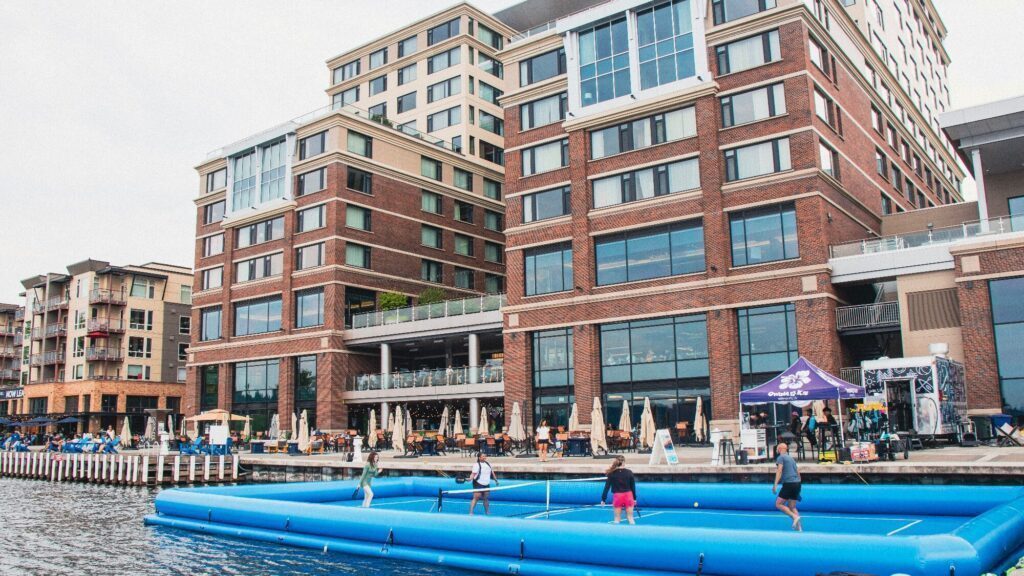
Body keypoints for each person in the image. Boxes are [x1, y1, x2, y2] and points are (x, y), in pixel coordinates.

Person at [772, 443, 802, 531]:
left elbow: (779, 471)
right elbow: (798, 472)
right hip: (797, 483)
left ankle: (794, 516)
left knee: (778, 504)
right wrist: (799, 486)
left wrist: (775, 485)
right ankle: (799, 528)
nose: (776, 450)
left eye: (777, 449)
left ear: (780, 449)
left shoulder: (781, 458)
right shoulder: (791, 458)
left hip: (789, 483)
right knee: (792, 507)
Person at [600, 455, 637, 524]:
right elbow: (633, 487)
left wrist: (603, 499)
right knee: (630, 518)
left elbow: (606, 487)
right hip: (628, 495)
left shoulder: (612, 473)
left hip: (618, 496)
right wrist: (634, 498)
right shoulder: (629, 472)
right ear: (624, 462)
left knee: (617, 518)